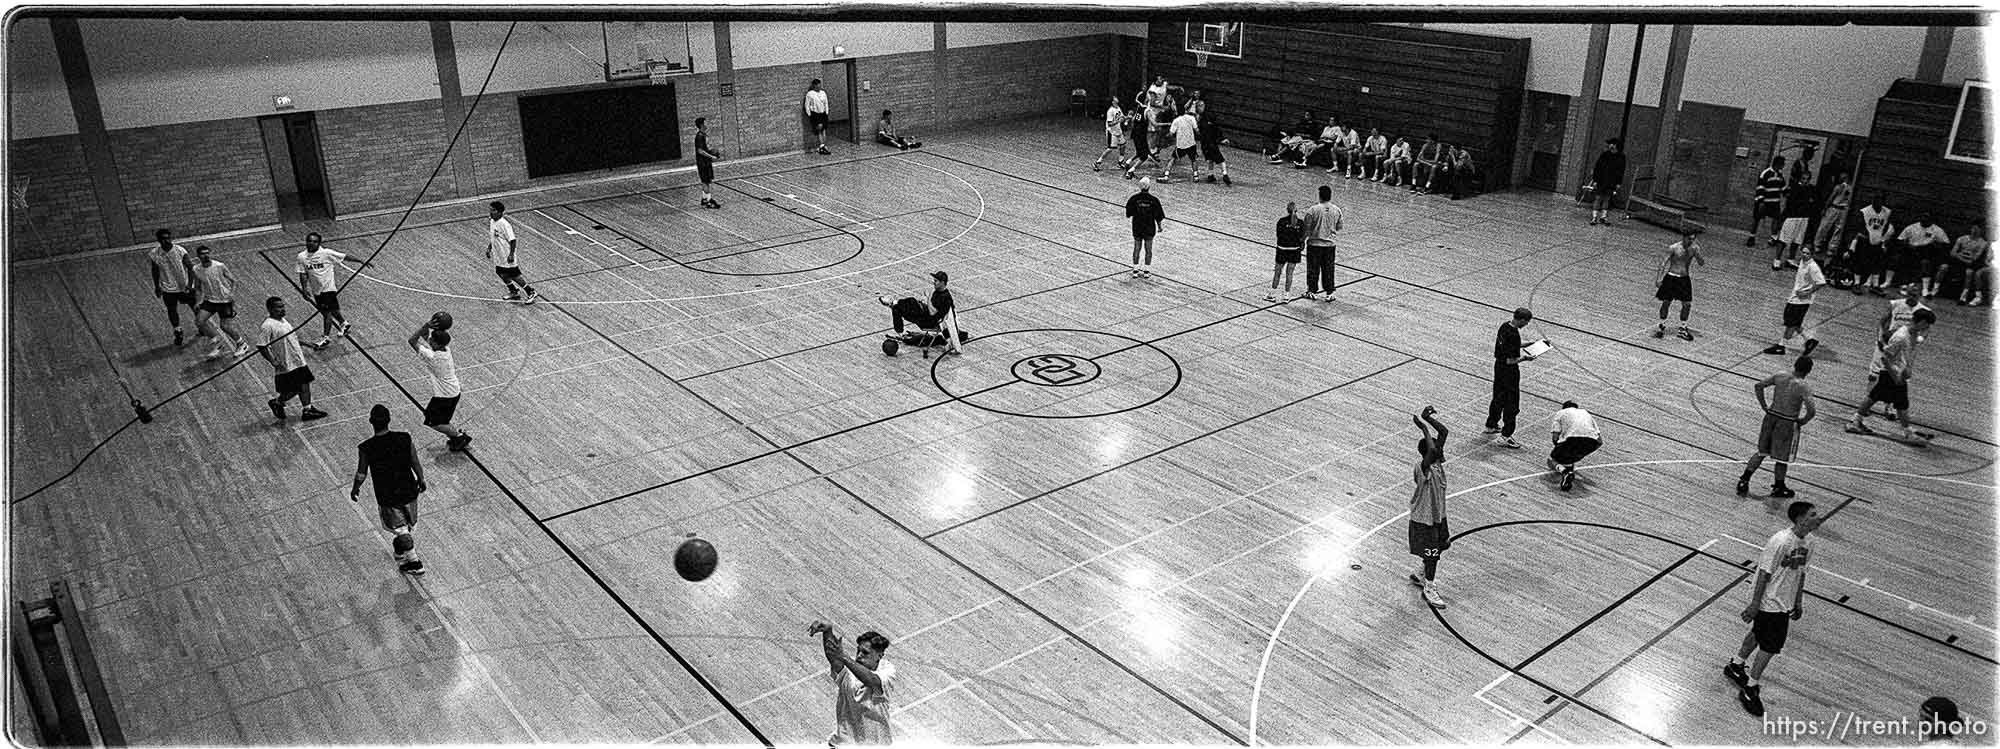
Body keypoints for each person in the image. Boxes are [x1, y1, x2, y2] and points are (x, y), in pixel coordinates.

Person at [1724, 501, 1825, 718]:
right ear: (1800, 519)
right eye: (1813, 515)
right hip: (1769, 601)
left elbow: (1801, 572)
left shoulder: (1810, 541)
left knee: (1759, 634)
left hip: (1785, 601)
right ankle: (1750, 688)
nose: (1819, 518)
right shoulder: (1780, 541)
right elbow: (1764, 573)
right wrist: (1754, 604)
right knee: (1770, 646)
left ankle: (1736, 664)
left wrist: (1798, 601)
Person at [351, 404, 428, 575]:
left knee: (401, 530)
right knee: (406, 528)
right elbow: (414, 461)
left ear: (371, 422)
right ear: (389, 419)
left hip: (388, 496)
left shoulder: (366, 447)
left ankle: (414, 562)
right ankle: (400, 551)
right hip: (409, 490)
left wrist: (355, 489)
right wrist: (421, 478)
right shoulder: (404, 438)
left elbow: (361, 474)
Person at [1846, 308, 1936, 444]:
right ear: (1921, 322)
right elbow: (1885, 357)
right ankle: (1908, 433)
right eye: (1927, 324)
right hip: (1891, 373)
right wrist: (1895, 375)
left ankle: (1856, 421)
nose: (1927, 327)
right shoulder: (1901, 337)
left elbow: (1920, 339)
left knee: (1876, 397)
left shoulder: (1912, 334)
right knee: (1900, 403)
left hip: (1897, 373)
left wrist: (1906, 369)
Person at [1736, 357, 1816, 499]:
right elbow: (1811, 411)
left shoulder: (1780, 376)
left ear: (1795, 365)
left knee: (1761, 452)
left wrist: (1764, 405)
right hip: (1787, 421)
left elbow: (1758, 386)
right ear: (1809, 370)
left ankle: (1744, 480)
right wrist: (1802, 421)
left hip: (1771, 417)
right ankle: (1779, 486)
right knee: (1781, 458)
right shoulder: (1803, 386)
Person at [808, 620, 896, 746]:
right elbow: (834, 657)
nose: (859, 656)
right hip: (843, 742)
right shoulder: (850, 669)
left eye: (865, 652)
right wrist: (828, 631)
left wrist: (844, 657)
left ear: (879, 655)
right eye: (858, 651)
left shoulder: (887, 671)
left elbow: (871, 680)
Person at [1406, 405, 1451, 609]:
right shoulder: (1422, 468)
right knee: (1433, 555)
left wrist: (1428, 418)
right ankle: (1429, 587)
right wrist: (1423, 428)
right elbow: (1433, 448)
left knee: (1442, 545)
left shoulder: (1437, 464)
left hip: (1438, 516)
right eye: (1435, 448)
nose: (1440, 449)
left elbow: (1444, 432)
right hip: (1424, 519)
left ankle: (1421, 574)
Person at [255, 296, 326, 422]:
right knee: (294, 389)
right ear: (270, 309)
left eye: (283, 306)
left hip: (298, 360)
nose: (283, 309)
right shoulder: (267, 325)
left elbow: (292, 338)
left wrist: (308, 344)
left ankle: (307, 409)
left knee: (304, 383)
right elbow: (261, 345)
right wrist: (273, 361)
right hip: (286, 362)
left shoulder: (284, 321)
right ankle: (277, 402)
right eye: (279, 307)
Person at [408, 317, 472, 451]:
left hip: (445, 396)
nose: (429, 339)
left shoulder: (433, 357)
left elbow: (412, 340)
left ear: (436, 343)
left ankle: (459, 437)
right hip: (452, 392)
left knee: (433, 422)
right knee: (438, 420)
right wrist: (430, 328)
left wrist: (426, 324)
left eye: (432, 339)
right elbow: (426, 337)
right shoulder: (445, 350)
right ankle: (457, 437)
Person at [1484, 307, 1537, 448]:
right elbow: (1510, 360)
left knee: (1498, 397)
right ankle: (1506, 436)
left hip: (1498, 368)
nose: (1526, 325)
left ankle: (1491, 425)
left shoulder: (1505, 326)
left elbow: (1511, 346)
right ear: (1521, 320)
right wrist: (1525, 358)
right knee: (1512, 404)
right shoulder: (1514, 334)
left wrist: (1530, 343)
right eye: (1526, 322)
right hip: (1509, 372)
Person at [294, 232, 358, 349]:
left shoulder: (326, 253)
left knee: (326, 314)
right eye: (309, 241)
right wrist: (304, 289)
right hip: (316, 290)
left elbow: (344, 256)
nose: (311, 243)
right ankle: (344, 324)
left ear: (319, 243)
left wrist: (361, 261)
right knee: (332, 309)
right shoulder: (301, 257)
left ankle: (325, 338)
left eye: (314, 241)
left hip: (328, 289)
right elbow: (303, 274)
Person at [189, 245, 252, 360]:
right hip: (210, 300)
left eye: (207, 253)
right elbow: (198, 287)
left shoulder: (219, 266)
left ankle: (242, 344)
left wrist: (232, 294)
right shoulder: (196, 269)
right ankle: (218, 345)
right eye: (203, 253)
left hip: (224, 300)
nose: (206, 255)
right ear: (198, 256)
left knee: (225, 326)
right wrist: (198, 301)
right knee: (199, 321)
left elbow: (234, 281)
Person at [1762, 245, 1825, 357]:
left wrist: (1807, 293)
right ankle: (1810, 340)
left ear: (1812, 255)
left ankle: (1781, 346)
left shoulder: (1813, 267)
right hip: (1794, 297)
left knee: (1790, 324)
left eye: (1807, 253)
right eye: (1803, 252)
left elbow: (1821, 282)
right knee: (1794, 322)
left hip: (1802, 301)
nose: (1804, 255)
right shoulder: (1802, 262)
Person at [878, 271, 959, 354]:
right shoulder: (936, 292)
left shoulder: (946, 298)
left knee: (911, 302)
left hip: (930, 321)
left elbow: (942, 318)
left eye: (936, 281)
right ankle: (898, 323)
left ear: (942, 282)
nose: (933, 283)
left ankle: (893, 304)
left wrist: (928, 300)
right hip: (925, 315)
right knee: (899, 308)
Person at [146, 228, 199, 347]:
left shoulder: (180, 250)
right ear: (158, 240)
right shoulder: (154, 254)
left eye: (167, 238)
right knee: (171, 309)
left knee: (195, 306)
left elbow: (190, 268)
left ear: (171, 238)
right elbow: (155, 271)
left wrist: (190, 285)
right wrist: (157, 286)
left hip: (184, 287)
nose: (166, 241)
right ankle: (178, 330)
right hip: (168, 289)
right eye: (163, 239)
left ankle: (201, 325)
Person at [1653, 230, 1706, 340]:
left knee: (1687, 304)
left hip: (1684, 279)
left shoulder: (1694, 248)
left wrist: (1698, 254)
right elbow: (1663, 263)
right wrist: (1659, 278)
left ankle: (1682, 328)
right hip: (1671, 277)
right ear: (1684, 237)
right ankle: (1661, 326)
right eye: (1689, 238)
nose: (1691, 241)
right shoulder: (1674, 247)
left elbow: (1701, 263)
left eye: (1693, 239)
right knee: (1666, 302)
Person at [486, 201, 540, 304]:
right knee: (500, 272)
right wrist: (489, 248)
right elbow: (493, 236)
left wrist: (511, 254)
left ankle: (531, 292)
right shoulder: (492, 221)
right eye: (490, 210)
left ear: (500, 212)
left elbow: (513, 240)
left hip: (506, 255)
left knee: (514, 275)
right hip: (499, 255)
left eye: (493, 210)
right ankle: (514, 291)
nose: (490, 212)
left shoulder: (505, 224)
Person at [1546, 401, 1601, 491]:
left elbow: (1555, 438)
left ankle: (1565, 472)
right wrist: (1581, 454)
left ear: (1564, 408)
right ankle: (1568, 469)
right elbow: (1599, 441)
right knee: (1570, 458)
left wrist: (1560, 452)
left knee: (1551, 460)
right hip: (1591, 442)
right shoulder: (1585, 413)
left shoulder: (1560, 413)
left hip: (1572, 439)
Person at [1300, 185, 1342, 301]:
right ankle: (1330, 292)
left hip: (1314, 244)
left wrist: (1302, 241)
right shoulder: (1337, 210)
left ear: (1320, 196)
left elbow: (1307, 228)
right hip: (1330, 245)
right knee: (1328, 268)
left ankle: (1312, 291)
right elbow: (1339, 227)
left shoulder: (1313, 210)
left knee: (1313, 269)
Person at [1899, 214, 1953, 299]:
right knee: (1905, 257)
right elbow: (1901, 239)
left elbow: (1946, 244)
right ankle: (1904, 285)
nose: (1924, 219)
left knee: (1926, 261)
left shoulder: (1937, 230)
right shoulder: (1912, 227)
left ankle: (1924, 289)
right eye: (1923, 217)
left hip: (1927, 252)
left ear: (1931, 220)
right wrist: (1907, 245)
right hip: (1912, 250)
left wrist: (1936, 245)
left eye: (1927, 218)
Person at [1124, 177, 1165, 279]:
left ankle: (1135, 270)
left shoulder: (1133, 199)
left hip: (1137, 226)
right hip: (1149, 227)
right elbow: (1158, 216)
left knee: (1137, 248)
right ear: (1149, 187)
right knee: (1148, 249)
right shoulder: (1154, 200)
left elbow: (1128, 214)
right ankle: (1146, 270)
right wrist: (1159, 227)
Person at [1773, 179, 1818, 270]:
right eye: (1804, 179)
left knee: (1797, 239)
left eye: (1807, 179)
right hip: (1792, 216)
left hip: (1803, 217)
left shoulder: (1810, 189)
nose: (1805, 181)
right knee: (1784, 239)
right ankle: (1777, 259)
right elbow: (1788, 200)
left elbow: (1813, 200)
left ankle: (1791, 259)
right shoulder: (1794, 187)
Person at [1746, 155, 1788, 248]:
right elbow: (1760, 188)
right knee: (1756, 219)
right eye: (1783, 164)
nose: (1783, 166)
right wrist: (1761, 201)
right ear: (1778, 164)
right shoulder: (1766, 173)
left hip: (1775, 202)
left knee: (1776, 219)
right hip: (1764, 202)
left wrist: (1787, 193)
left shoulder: (1780, 175)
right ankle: (1751, 237)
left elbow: (1783, 187)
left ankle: (1773, 238)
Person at [1268, 202, 1304, 302]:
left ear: (1287, 210)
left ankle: (1272, 294)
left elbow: (1278, 235)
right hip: (1294, 251)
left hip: (1282, 250)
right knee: (1289, 274)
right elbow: (1302, 237)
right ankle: (1286, 296)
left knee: (1277, 272)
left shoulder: (1281, 221)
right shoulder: (1300, 223)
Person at [1944, 224, 1987, 303]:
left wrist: (1963, 256)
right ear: (1970, 229)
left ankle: (1963, 297)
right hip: (1960, 261)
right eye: (1974, 228)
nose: (1975, 230)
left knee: (1969, 272)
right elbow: (1953, 253)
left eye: (1977, 229)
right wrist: (1961, 256)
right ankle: (1934, 290)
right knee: (1944, 267)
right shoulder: (1961, 239)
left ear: (1981, 231)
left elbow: (1975, 257)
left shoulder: (1983, 243)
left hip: (1971, 264)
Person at [1810, 171, 1852, 253]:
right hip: (1834, 207)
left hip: (1843, 209)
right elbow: (1831, 198)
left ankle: (1831, 248)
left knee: (1838, 229)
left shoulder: (1850, 188)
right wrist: (1825, 208)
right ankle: (1817, 244)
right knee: (1825, 226)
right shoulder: (1838, 187)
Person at [1588, 138, 1625, 226]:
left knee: (1607, 199)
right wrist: (1595, 180)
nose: (1610, 145)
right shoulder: (1605, 154)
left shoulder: (1621, 157)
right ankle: (1594, 217)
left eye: (1612, 144)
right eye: (1610, 144)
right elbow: (1598, 167)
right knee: (1598, 198)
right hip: (1601, 180)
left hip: (1612, 181)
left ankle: (1603, 217)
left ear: (1617, 145)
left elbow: (1621, 170)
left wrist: (1619, 182)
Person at [1193, 100, 1230, 185]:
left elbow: (1216, 129)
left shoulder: (1208, 117)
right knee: (1209, 159)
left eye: (1202, 105)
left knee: (1220, 159)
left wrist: (1221, 139)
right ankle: (1211, 175)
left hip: (1211, 142)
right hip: (1205, 143)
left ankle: (1225, 174)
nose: (1201, 107)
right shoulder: (1197, 118)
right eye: (1199, 106)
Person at [1163, 105, 1200, 182]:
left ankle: (1166, 175)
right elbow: (1196, 130)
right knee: (1193, 159)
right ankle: (1196, 176)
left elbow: (1171, 133)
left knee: (1172, 159)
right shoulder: (1191, 118)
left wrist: (1165, 136)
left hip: (1181, 145)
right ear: (1185, 111)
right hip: (1191, 143)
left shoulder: (1176, 121)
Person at [1093, 95, 1130, 172]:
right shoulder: (1110, 111)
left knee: (1123, 145)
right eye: (1115, 98)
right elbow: (1110, 123)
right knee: (1110, 149)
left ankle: (1120, 161)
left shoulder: (1118, 108)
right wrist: (1118, 121)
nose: (1117, 98)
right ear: (1113, 101)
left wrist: (1128, 117)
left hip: (1118, 131)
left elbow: (1122, 117)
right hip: (1112, 132)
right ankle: (1097, 162)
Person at [693, 117, 721, 209]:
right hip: (703, 163)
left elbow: (704, 149)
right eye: (705, 123)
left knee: (706, 181)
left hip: (705, 162)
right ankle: (708, 201)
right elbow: (700, 151)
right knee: (705, 182)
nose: (707, 124)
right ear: (702, 125)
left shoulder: (703, 135)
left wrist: (711, 151)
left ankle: (705, 198)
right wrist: (712, 156)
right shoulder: (700, 136)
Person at [803, 78, 831, 155]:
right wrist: (810, 115)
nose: (819, 88)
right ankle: (821, 146)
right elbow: (807, 105)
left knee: (824, 130)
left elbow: (826, 103)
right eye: (817, 86)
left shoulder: (823, 93)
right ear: (814, 86)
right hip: (815, 114)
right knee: (819, 129)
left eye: (820, 86)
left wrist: (827, 112)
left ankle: (823, 146)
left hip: (823, 113)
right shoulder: (810, 94)